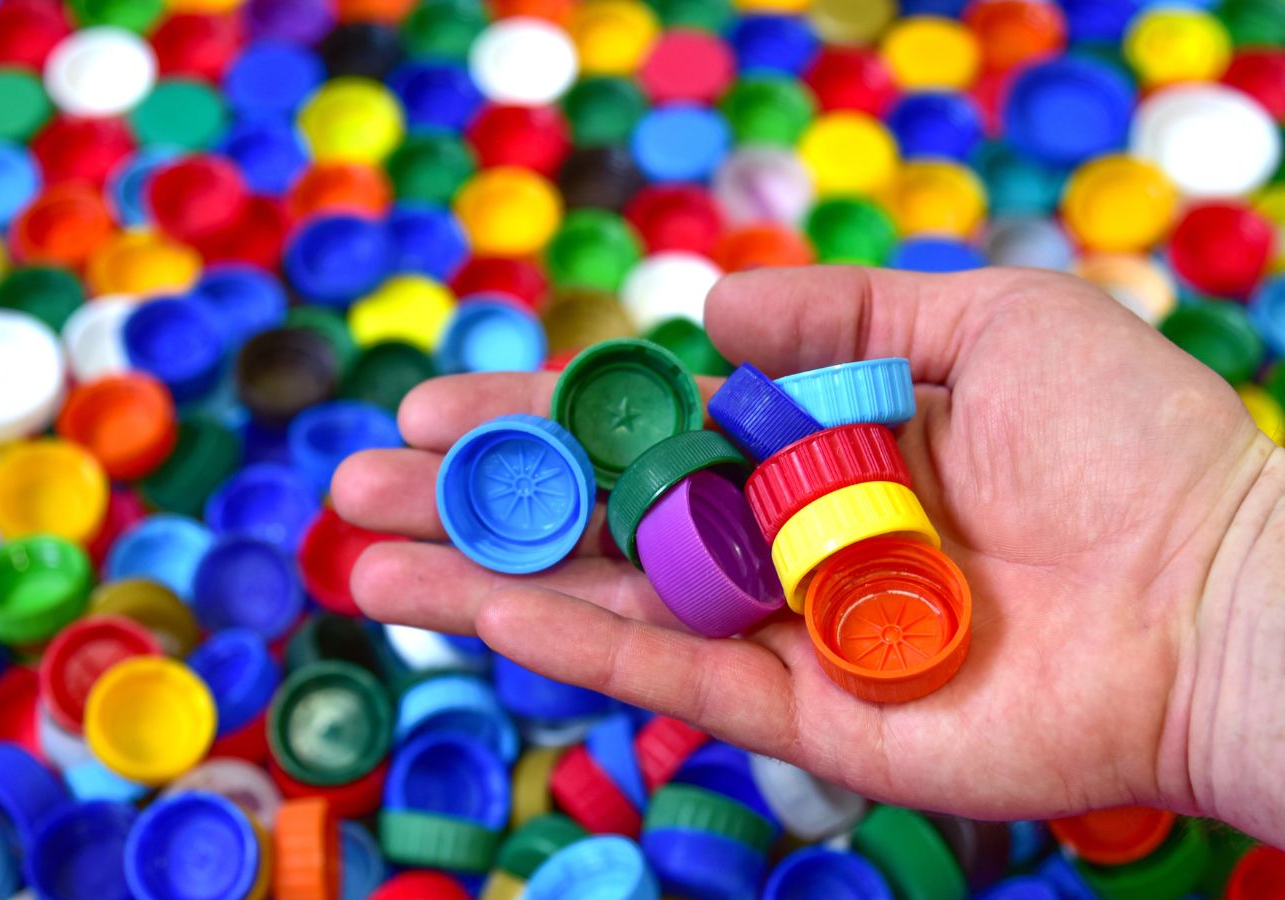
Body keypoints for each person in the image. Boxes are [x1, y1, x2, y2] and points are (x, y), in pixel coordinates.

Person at [330, 266, 1285, 845]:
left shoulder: (850, 522)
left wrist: (1231, 561)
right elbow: (738, 523)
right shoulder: (742, 498)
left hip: (876, 583)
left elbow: (789, 504)